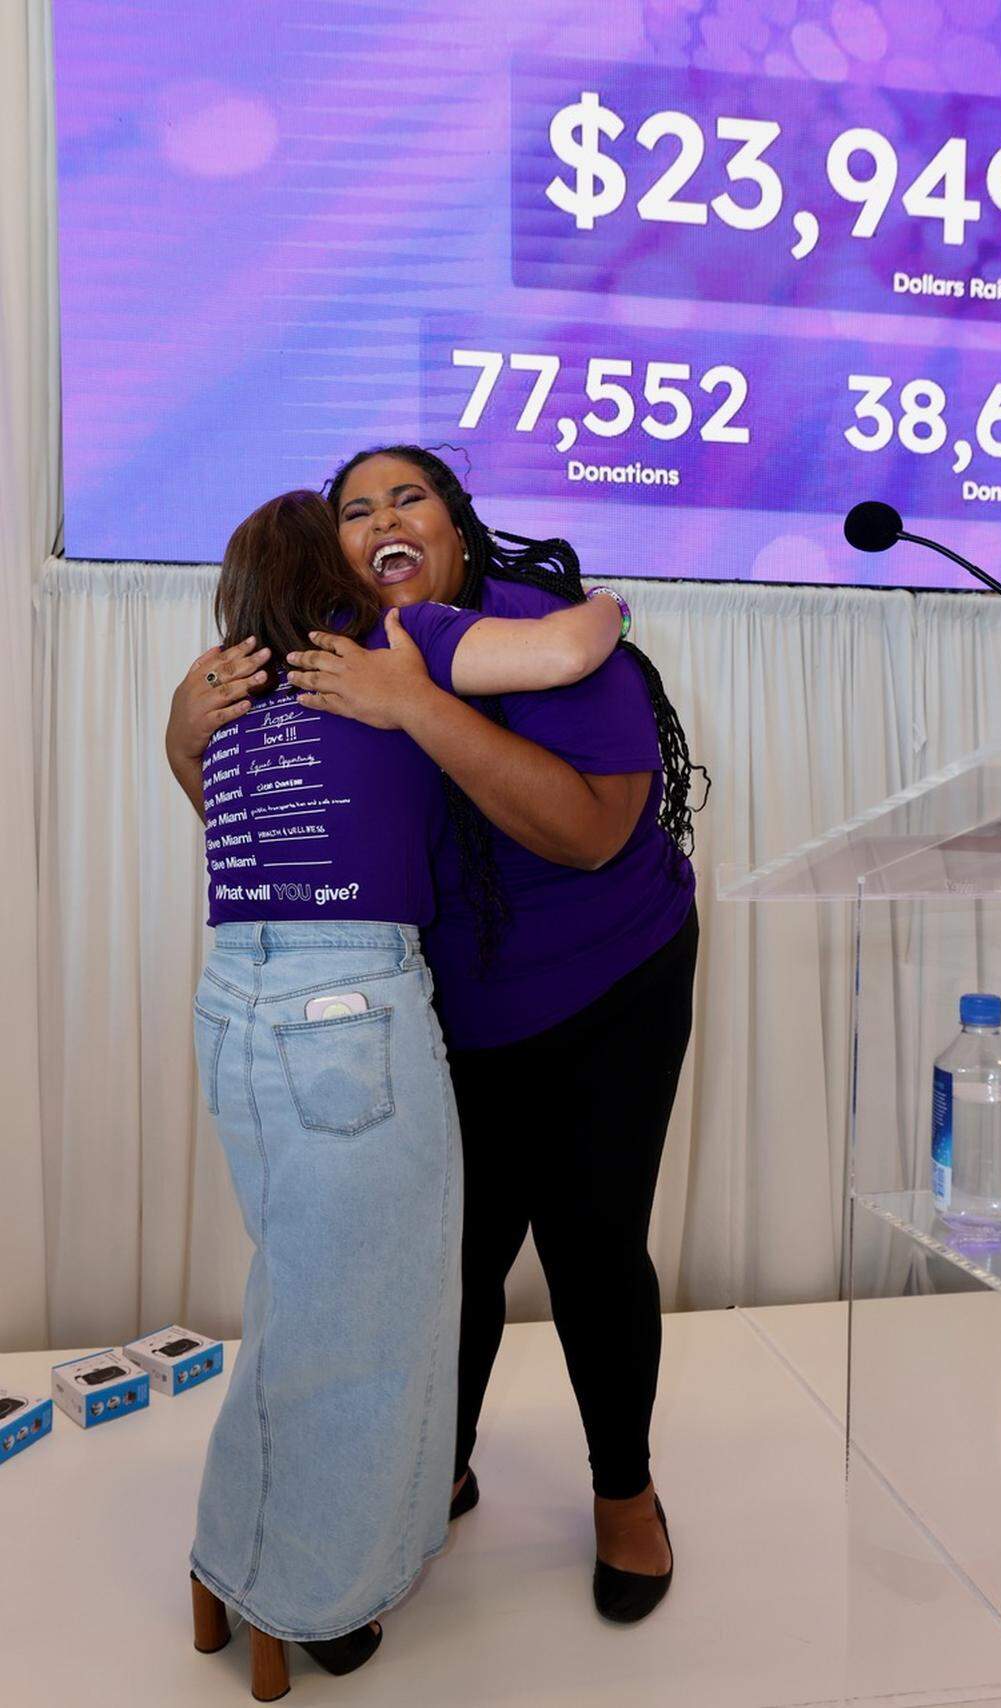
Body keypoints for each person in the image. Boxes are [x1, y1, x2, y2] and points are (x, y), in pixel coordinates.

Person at [177, 489, 627, 1697]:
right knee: (363, 1326)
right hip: (350, 1014)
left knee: (295, 1299)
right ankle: (292, 1588)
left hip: (233, 1002)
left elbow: (215, 812)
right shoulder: (395, 640)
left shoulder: (224, 686)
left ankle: (228, 1565)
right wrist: (612, 596)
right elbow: (574, 643)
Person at [285, 447, 706, 1624]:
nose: (382, 522)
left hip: (613, 982)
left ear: (458, 529)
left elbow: (584, 834)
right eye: (356, 512)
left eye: (406, 497)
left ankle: (626, 1490)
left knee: (590, 1244)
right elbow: (268, 816)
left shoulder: (538, 633)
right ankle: (441, 1463)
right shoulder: (332, 661)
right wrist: (182, 727)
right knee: (453, 1259)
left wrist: (417, 704)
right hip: (456, 1008)